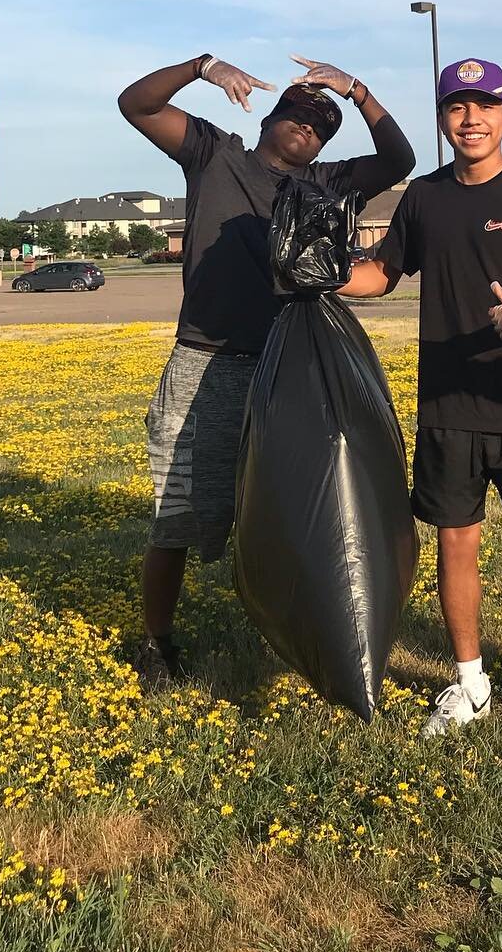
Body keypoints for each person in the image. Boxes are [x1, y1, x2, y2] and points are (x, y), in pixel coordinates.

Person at [118, 50, 415, 684]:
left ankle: (290, 623)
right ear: (267, 119)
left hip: (294, 365)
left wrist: (356, 89)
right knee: (181, 509)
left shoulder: (328, 184)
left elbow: (399, 160)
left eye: (321, 125)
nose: (308, 127)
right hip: (209, 360)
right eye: (299, 114)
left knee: (295, 506)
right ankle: (157, 640)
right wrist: (202, 68)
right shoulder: (214, 155)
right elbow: (136, 104)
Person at [340, 58, 502, 738]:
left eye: (485, 107)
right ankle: (470, 681)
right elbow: (383, 274)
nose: (471, 118)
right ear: (445, 120)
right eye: (457, 108)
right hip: (447, 405)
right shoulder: (423, 197)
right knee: (456, 543)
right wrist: (325, 277)